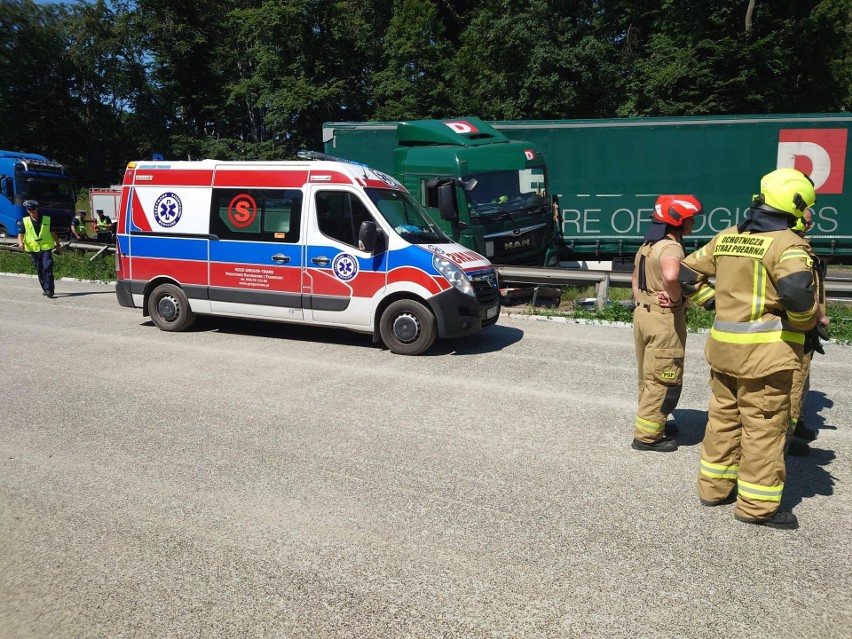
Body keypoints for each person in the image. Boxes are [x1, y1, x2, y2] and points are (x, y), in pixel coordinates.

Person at [679, 168, 819, 530]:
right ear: (796, 203)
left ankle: (713, 488)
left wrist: (710, 303)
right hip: (765, 357)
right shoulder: (788, 243)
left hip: (723, 350)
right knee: (763, 429)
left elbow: (683, 275)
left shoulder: (726, 237)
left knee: (723, 420)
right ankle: (757, 507)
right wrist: (804, 325)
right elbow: (797, 293)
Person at [631, 195, 703, 452]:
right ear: (678, 221)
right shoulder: (671, 247)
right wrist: (675, 299)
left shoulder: (649, 244)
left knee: (648, 374)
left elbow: (635, 279)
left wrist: (645, 302)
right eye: (690, 219)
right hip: (663, 319)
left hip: (643, 314)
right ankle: (648, 437)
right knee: (664, 376)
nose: (693, 223)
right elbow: (672, 275)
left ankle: (653, 422)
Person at [788, 208, 830, 456]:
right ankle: (787, 437)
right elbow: (802, 292)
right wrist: (818, 317)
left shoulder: (801, 247)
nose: (810, 227)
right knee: (794, 381)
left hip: (806, 325)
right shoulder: (794, 250)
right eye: (807, 222)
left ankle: (796, 422)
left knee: (801, 380)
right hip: (798, 326)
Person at [16, 200, 62, 298]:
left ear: (37, 208)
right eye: (29, 210)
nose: (32, 211)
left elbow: (53, 233)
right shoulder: (24, 221)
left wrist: (58, 244)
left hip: (46, 247)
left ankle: (50, 289)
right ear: (27, 211)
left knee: (47, 266)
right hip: (33, 248)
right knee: (39, 268)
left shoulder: (47, 219)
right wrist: (20, 243)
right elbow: (21, 234)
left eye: (33, 209)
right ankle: (45, 288)